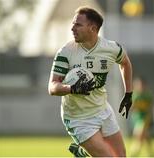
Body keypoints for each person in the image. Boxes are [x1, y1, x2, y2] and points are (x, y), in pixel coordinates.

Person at [48, 6, 133, 157]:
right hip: (77, 118)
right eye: (73, 24)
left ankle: (83, 152)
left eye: (78, 25)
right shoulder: (66, 52)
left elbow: (125, 63)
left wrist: (128, 93)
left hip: (102, 110)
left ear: (93, 28)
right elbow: (52, 87)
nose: (72, 28)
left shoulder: (111, 48)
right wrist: (72, 88)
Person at [130, 77, 154, 157]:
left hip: (145, 118)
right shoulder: (135, 95)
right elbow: (132, 107)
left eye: (141, 85)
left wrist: (152, 115)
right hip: (137, 118)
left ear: (144, 85)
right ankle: (151, 153)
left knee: (139, 134)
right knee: (146, 136)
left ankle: (135, 152)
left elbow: (152, 106)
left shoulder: (148, 95)